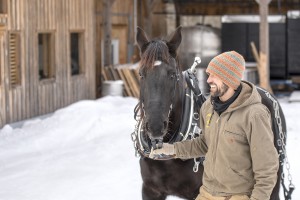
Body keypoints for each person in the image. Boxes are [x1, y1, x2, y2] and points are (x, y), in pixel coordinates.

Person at [150, 51, 279, 200]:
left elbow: (267, 168)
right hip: (207, 193)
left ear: (229, 79)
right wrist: (172, 149)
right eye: (208, 74)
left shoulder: (254, 114)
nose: (208, 79)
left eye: (214, 75)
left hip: (238, 195)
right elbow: (205, 143)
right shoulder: (208, 107)